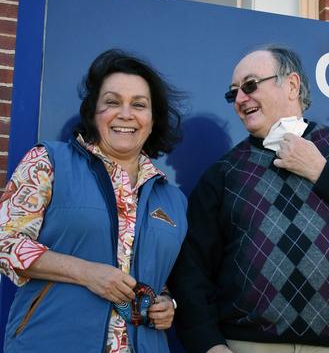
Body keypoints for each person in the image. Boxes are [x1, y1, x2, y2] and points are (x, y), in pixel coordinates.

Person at [169, 45, 329, 353]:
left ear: (292, 85)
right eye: (234, 93)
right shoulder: (224, 173)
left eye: (250, 85)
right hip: (248, 346)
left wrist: (322, 171)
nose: (241, 99)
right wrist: (208, 344)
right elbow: (192, 269)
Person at [0, 49, 188, 352]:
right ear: (93, 113)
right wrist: (88, 273)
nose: (126, 114)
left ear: (153, 120)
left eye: (139, 105)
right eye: (112, 102)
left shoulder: (173, 199)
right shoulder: (48, 162)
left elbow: (159, 274)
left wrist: (166, 303)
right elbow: (4, 242)